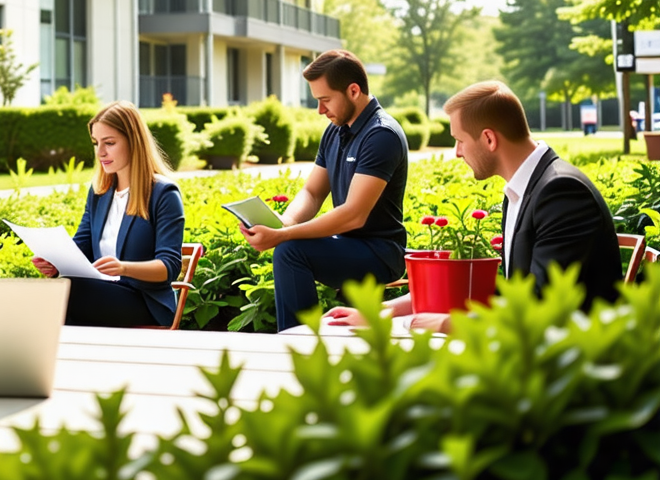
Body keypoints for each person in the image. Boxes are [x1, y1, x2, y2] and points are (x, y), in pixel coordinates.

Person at [327, 80, 622, 333]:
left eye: (459, 141)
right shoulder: (527, 188)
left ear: (489, 139)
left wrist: (441, 324)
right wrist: (383, 311)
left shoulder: (560, 193)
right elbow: (507, 290)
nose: (456, 153)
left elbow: (538, 308)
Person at [239, 49, 408, 332]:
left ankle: (299, 343)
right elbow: (313, 193)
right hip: (348, 245)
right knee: (288, 246)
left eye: (325, 100)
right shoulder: (335, 130)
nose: (320, 110)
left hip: (381, 253)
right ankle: (298, 339)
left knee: (290, 250)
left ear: (353, 91)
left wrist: (283, 235)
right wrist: (284, 222)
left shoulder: (382, 135)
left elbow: (354, 215)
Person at [30, 101, 185, 327]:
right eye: (96, 143)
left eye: (109, 143)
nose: (100, 152)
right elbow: (79, 249)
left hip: (143, 300)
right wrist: (55, 264)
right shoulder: (99, 194)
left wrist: (124, 267)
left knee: (68, 291)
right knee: (58, 289)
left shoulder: (163, 194)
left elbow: (169, 266)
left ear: (134, 142)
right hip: (102, 294)